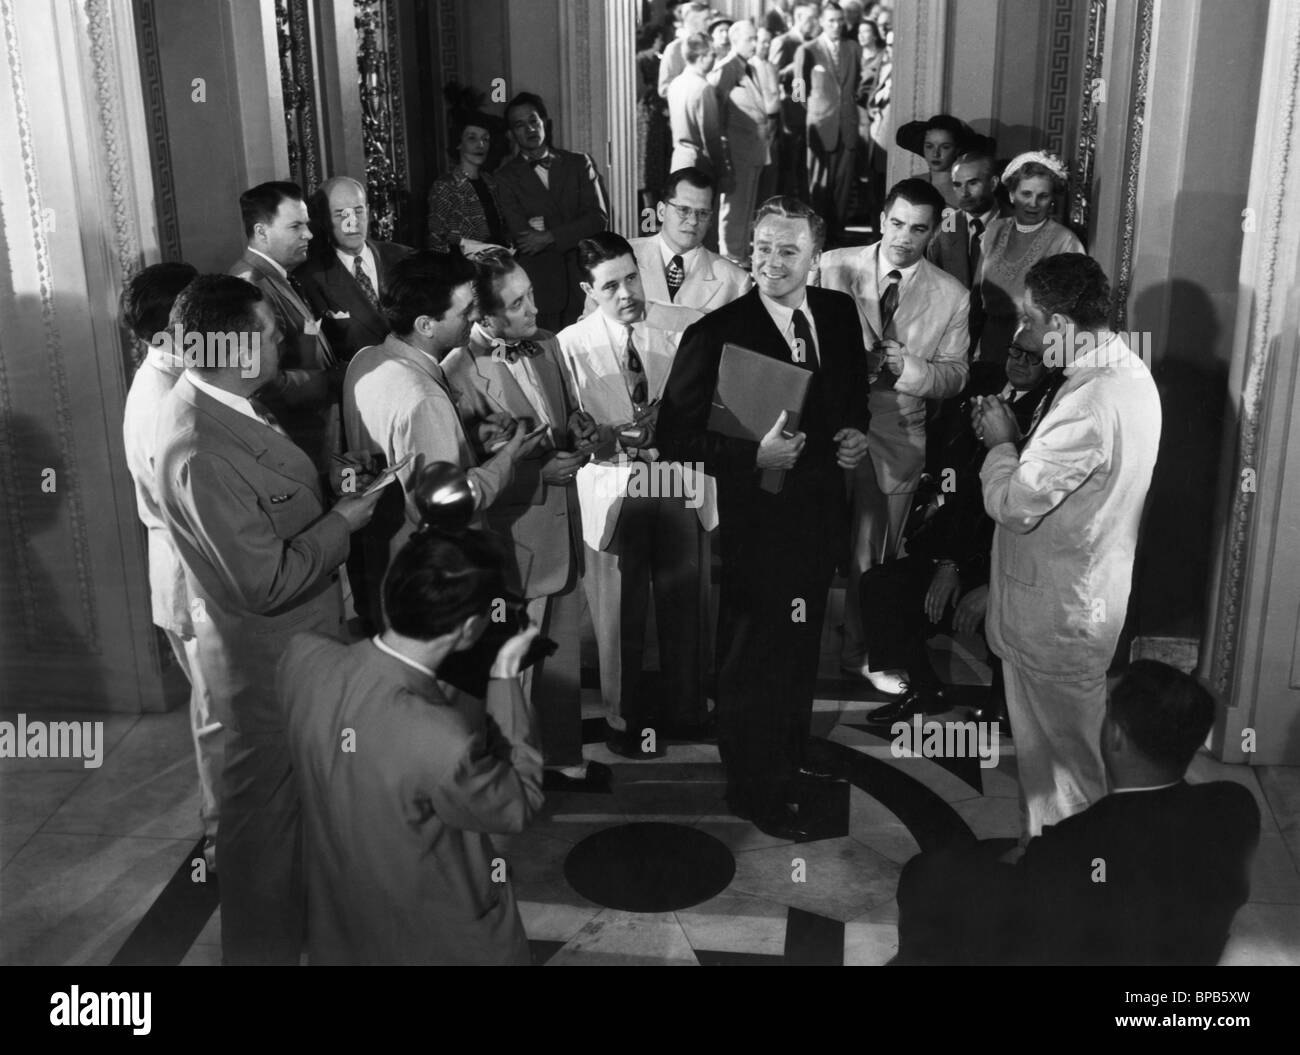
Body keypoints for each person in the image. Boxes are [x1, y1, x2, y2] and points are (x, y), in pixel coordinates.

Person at [153, 274, 384, 964]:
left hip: (298, 656)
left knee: (297, 833)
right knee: (260, 851)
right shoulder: (198, 444)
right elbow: (264, 579)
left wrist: (332, 480)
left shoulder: (235, 405)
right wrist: (343, 522)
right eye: (268, 327)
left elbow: (271, 507)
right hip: (266, 673)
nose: (282, 335)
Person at [657, 198, 871, 839]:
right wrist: (756, 454)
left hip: (819, 518)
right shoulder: (716, 332)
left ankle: (788, 760)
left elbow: (850, 394)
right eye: (763, 249)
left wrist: (853, 435)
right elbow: (675, 438)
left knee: (802, 648)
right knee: (753, 658)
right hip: (757, 526)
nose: (772, 263)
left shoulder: (837, 313)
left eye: (788, 251)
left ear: (815, 257)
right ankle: (753, 789)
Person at [279, 526, 545, 964]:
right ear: (468, 629)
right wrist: (505, 674)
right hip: (438, 943)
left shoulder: (302, 659)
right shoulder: (443, 741)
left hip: (338, 934)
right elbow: (519, 802)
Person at [896, 661, 1261, 965]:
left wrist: (1022, 867)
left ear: (1115, 735)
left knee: (925, 875)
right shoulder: (1236, 808)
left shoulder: (1073, 845)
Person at [973, 253, 1161, 839]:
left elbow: (1014, 505)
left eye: (1029, 319)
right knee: (1061, 763)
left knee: (1066, 768)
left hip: (1055, 614)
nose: (1022, 333)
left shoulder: (1089, 401)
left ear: (1059, 324)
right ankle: (1059, 867)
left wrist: (1002, 445)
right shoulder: (1127, 372)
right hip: (1081, 600)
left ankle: (1079, 884)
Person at [442, 249, 599, 791]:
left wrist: (578, 428)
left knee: (561, 656)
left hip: (564, 530)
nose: (533, 308)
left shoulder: (549, 343)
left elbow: (565, 414)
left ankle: (560, 755)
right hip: (516, 539)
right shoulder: (457, 373)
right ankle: (512, 776)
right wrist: (540, 477)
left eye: (531, 293)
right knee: (514, 670)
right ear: (483, 318)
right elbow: (468, 477)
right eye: (517, 303)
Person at [558, 233, 717, 758]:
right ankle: (622, 720)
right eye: (610, 286)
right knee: (617, 611)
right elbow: (572, 426)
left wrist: (670, 421)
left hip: (678, 480)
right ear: (589, 289)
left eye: (631, 277)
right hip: (613, 485)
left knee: (686, 601)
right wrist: (610, 436)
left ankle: (688, 710)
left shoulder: (688, 324)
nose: (627, 293)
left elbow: (711, 401)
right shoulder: (570, 345)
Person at [858, 333, 1066, 724]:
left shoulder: (1052, 411)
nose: (1019, 361)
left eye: (1032, 357)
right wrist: (938, 508)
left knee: (1004, 607)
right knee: (880, 586)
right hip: (956, 535)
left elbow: (1014, 506)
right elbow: (954, 475)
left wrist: (968, 573)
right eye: (1014, 350)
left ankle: (1006, 705)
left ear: (1052, 362)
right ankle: (923, 688)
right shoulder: (983, 383)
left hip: (1004, 553)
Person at [818, 178, 969, 692]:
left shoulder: (952, 295)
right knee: (807, 537)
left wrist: (909, 368)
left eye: (919, 229)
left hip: (896, 428)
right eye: (898, 223)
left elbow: (955, 376)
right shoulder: (830, 265)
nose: (905, 237)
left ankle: (863, 654)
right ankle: (794, 641)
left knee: (874, 554)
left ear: (933, 233)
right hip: (822, 422)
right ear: (883, 219)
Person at [343, 251, 545, 624]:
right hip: (434, 583)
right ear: (426, 324)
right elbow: (442, 508)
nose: (475, 317)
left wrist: (468, 441)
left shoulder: (366, 361)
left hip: (381, 568)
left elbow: (398, 458)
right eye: (464, 310)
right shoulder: (424, 396)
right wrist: (508, 457)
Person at [121, 262, 224, 868]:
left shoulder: (178, 380)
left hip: (192, 569)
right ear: (171, 326)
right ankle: (222, 841)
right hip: (191, 576)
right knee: (216, 718)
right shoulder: (161, 400)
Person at [229, 180, 336, 467]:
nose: (309, 234)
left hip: (320, 435)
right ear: (261, 231)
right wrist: (333, 380)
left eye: (307, 224)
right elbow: (260, 381)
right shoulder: (251, 288)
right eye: (296, 226)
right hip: (301, 445)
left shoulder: (281, 277)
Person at [494, 93, 609, 331]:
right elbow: (524, 237)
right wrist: (574, 227)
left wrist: (548, 236)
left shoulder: (579, 163)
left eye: (533, 121)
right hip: (541, 284)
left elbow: (598, 219)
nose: (529, 129)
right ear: (512, 134)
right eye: (519, 125)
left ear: (545, 122)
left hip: (584, 278)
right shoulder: (504, 177)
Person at [973, 151, 1084, 371]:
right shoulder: (994, 230)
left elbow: (1070, 314)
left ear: (1052, 199)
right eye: (1026, 194)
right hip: (990, 344)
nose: (1033, 203)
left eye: (1042, 196)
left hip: (1034, 352)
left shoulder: (1064, 242)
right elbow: (976, 296)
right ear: (1012, 195)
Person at [297, 176, 414, 363]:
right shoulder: (309, 279)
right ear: (325, 220)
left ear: (368, 212)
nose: (352, 222)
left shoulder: (405, 259)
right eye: (341, 214)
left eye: (358, 211)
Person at [616, 167, 752, 326]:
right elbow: (589, 334)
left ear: (710, 220)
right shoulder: (621, 257)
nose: (693, 221)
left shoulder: (735, 281)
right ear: (661, 211)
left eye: (702, 213)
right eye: (683, 210)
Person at [711, 20, 778, 266]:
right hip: (737, 150)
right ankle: (730, 257)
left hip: (756, 148)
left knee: (747, 206)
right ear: (735, 40)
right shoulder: (727, 68)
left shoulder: (753, 67)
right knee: (734, 208)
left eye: (757, 39)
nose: (757, 44)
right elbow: (715, 110)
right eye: (750, 39)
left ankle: (738, 255)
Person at [794, 3, 860, 244]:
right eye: (831, 21)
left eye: (840, 21)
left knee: (842, 189)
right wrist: (817, 112)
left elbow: (859, 83)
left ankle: (837, 238)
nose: (837, 25)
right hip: (821, 129)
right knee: (819, 188)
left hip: (847, 128)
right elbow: (797, 94)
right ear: (821, 22)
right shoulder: (807, 50)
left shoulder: (852, 48)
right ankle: (816, 240)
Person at [426, 112, 510, 255]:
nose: (481, 144)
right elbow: (436, 240)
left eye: (486, 139)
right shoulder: (445, 186)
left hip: (496, 264)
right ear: (459, 143)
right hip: (464, 269)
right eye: (472, 138)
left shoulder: (491, 182)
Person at [926, 150, 1010, 290]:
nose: (964, 193)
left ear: (993, 183)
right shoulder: (945, 228)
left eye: (972, 183)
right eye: (957, 185)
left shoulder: (1019, 225)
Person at [770, 1, 820, 199]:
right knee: (790, 164)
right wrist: (794, 67)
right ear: (798, 19)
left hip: (809, 111)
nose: (813, 22)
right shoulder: (784, 42)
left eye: (815, 18)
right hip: (791, 112)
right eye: (809, 18)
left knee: (802, 165)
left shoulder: (813, 42)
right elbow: (772, 75)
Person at [894, 113, 990, 212]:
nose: (936, 154)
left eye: (945, 147)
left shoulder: (966, 190)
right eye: (929, 146)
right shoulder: (913, 186)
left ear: (957, 149)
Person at [667, 33, 730, 183]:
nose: (715, 60)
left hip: (678, 160)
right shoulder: (703, 88)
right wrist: (723, 172)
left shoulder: (675, 83)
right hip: (699, 162)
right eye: (712, 55)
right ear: (701, 57)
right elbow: (711, 136)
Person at [636, 22, 673, 212]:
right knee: (650, 173)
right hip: (648, 118)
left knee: (653, 173)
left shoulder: (654, 59)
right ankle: (650, 221)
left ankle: (653, 219)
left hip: (656, 119)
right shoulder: (644, 59)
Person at [658, 2, 712, 98]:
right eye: (706, 19)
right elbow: (664, 89)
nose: (710, 23)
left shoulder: (710, 44)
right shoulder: (674, 49)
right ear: (693, 22)